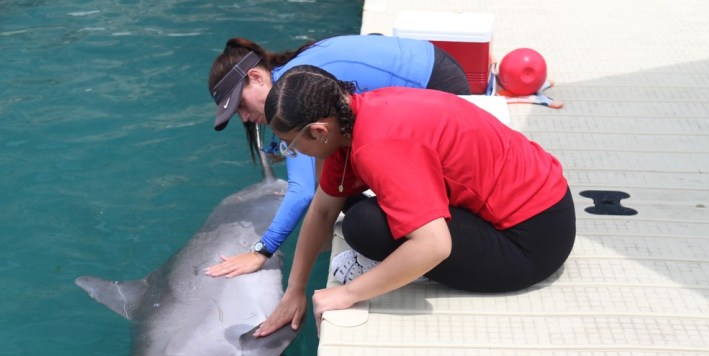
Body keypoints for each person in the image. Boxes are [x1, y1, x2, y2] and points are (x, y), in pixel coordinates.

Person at [253, 65, 576, 337]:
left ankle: (408, 268)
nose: (291, 154)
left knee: (365, 226)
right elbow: (323, 209)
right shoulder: (355, 116)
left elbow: (435, 246)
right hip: (542, 202)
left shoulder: (377, 147)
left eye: (288, 145)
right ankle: (403, 262)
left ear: (319, 131)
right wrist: (294, 291)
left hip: (531, 246)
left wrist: (347, 293)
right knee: (349, 201)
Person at [205, 35, 471, 277]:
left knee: (355, 207)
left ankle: (410, 253)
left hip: (439, 89)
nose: (245, 118)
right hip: (433, 69)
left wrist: (261, 252)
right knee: (332, 175)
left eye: (241, 105)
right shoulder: (290, 74)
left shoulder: (291, 89)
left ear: (257, 77)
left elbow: (302, 190)